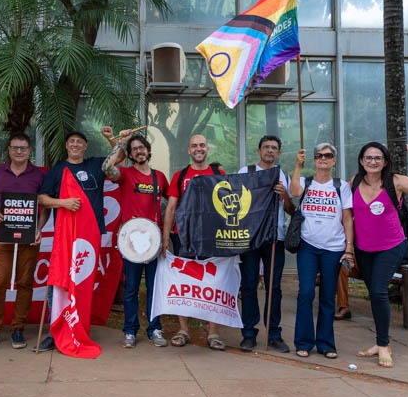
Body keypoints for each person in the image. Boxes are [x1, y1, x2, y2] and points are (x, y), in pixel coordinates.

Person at [36, 128, 126, 351]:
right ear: (67, 146)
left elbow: (119, 158)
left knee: (83, 282)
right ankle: (54, 331)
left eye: (79, 142)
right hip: (65, 237)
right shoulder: (58, 170)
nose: (75, 144)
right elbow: (42, 199)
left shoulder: (95, 164)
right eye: (71, 141)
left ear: (85, 147)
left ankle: (78, 327)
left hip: (89, 237)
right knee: (59, 281)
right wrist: (63, 203)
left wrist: (113, 139)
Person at [351, 142, 408, 368]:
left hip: (391, 246)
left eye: (378, 158)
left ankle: (383, 344)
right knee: (374, 293)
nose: (373, 161)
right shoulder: (354, 182)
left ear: (385, 161)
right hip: (363, 248)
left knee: (379, 291)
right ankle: (381, 343)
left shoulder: (395, 181)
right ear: (361, 161)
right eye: (368, 158)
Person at [160, 134, 228, 351]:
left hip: (211, 236)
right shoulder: (180, 176)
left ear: (207, 149)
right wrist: (165, 238)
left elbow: (228, 204)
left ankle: (213, 332)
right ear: (189, 150)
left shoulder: (218, 174)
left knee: (213, 282)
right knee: (183, 281)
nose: (199, 148)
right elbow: (171, 208)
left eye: (202, 145)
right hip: (183, 236)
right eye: (194, 146)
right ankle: (183, 330)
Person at [103, 131, 170, 348]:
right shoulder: (125, 174)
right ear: (130, 155)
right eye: (134, 149)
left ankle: (155, 329)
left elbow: (171, 205)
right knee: (131, 288)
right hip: (131, 242)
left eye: (142, 148)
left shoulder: (160, 177)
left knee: (154, 288)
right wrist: (119, 143)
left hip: (154, 242)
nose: (139, 151)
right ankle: (130, 330)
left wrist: (166, 236)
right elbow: (107, 168)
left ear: (148, 151)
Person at [0, 133, 47, 350]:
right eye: (15, 148)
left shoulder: (38, 175)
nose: (19, 151)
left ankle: (18, 328)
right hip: (3, 236)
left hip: (29, 238)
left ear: (30, 151)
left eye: (23, 148)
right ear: (8, 150)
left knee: (25, 283)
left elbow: (46, 205)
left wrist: (39, 228)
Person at [290, 143, 355, 359]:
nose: (323, 159)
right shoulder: (305, 182)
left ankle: (326, 343)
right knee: (306, 292)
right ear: (314, 159)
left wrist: (349, 247)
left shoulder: (341, 186)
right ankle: (303, 341)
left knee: (328, 295)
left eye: (328, 156)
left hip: (333, 247)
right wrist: (297, 166)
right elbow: (294, 192)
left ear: (334, 160)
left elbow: (347, 218)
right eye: (319, 155)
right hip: (308, 245)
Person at [238, 135, 295, 353]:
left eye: (274, 148)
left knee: (274, 287)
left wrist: (284, 196)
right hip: (250, 237)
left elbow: (291, 210)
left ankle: (274, 334)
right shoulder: (247, 171)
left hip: (274, 237)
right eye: (266, 147)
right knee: (249, 284)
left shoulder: (283, 175)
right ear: (259, 150)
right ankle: (249, 333)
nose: (270, 150)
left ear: (279, 153)